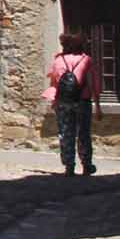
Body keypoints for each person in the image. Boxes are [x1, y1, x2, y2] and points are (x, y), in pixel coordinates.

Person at [44, 31, 100, 176]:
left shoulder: (58, 60)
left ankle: (69, 166)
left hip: (64, 102)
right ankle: (86, 164)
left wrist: (55, 101)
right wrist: (98, 106)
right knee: (84, 133)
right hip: (82, 101)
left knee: (65, 133)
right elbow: (93, 84)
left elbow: (54, 82)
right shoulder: (86, 60)